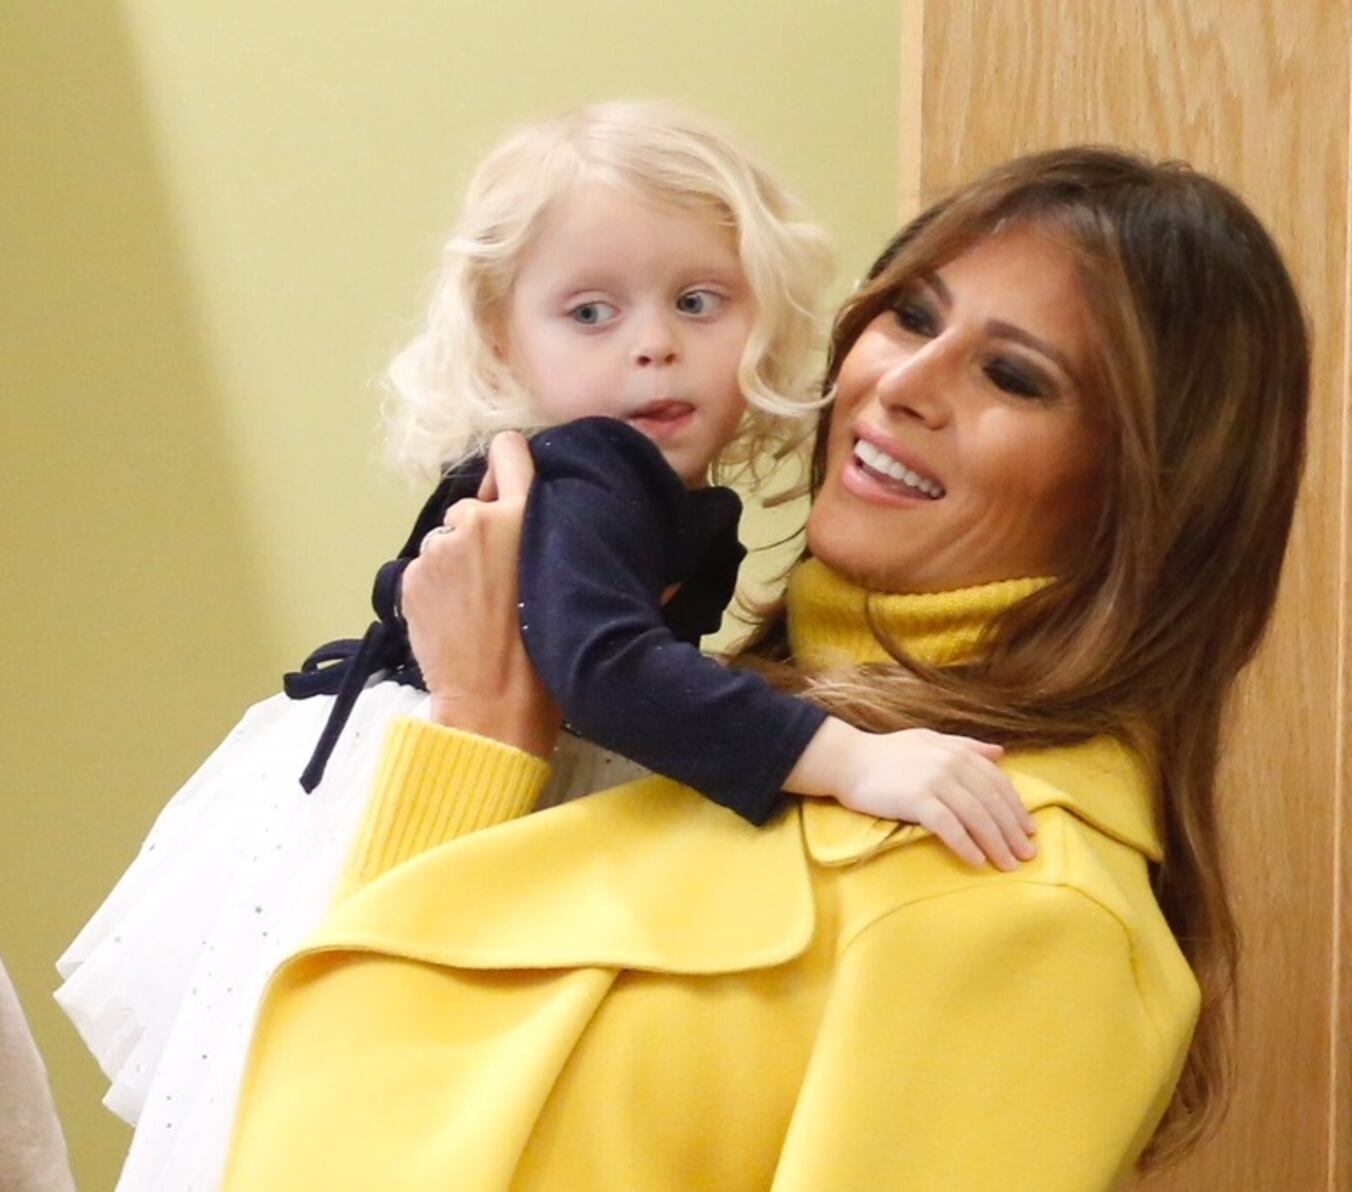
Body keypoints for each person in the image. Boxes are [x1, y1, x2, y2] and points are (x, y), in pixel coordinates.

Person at [223, 145, 1311, 1190]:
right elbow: (388, 1091)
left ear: (1140, 493)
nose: (902, 384)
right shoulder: (725, 727)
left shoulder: (1021, 898)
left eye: (1013, 377)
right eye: (912, 315)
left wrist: (485, 734)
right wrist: (481, 738)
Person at [56, 101, 1034, 1192]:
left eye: (698, 301)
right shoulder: (594, 473)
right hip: (429, 771)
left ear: (765, 310)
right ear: (499, 337)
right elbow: (606, 667)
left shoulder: (666, 483)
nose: (652, 341)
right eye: (589, 311)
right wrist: (851, 756)